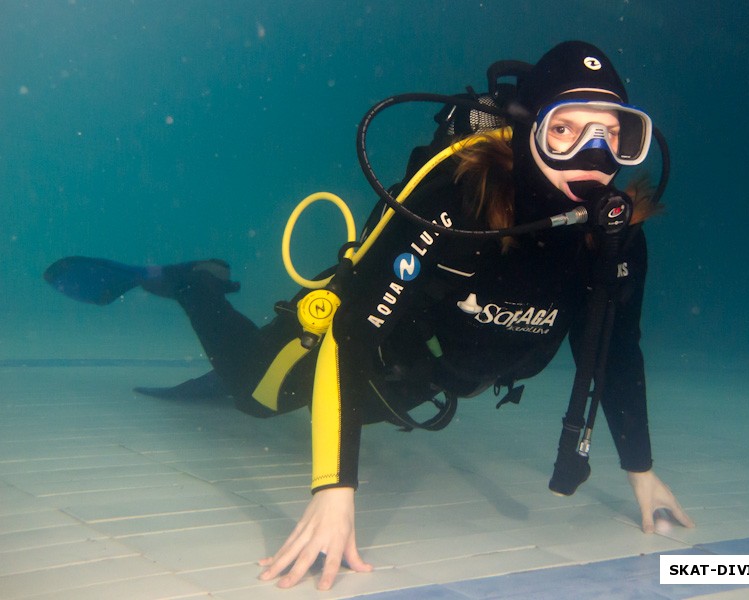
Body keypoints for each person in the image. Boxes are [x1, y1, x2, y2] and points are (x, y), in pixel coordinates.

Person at [44, 41, 694, 591]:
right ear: (528, 131)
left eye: (613, 134)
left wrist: (642, 472)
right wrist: (334, 491)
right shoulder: (454, 198)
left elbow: (615, 350)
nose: (592, 154)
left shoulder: (614, 239)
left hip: (420, 376)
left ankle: (225, 336)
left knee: (338, 402)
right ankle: (194, 285)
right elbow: (352, 333)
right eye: (565, 129)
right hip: (358, 336)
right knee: (255, 395)